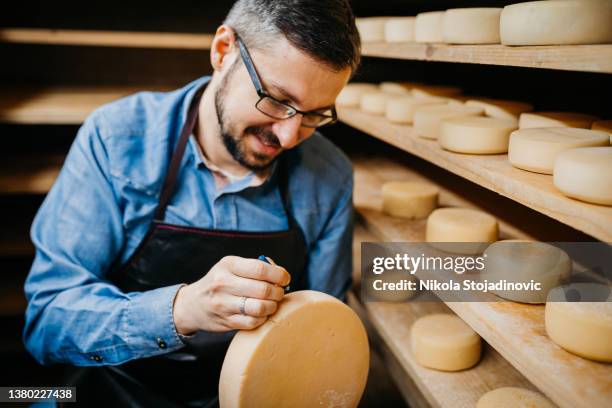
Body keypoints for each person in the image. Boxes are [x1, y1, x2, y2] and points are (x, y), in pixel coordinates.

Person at [23, 0, 361, 406]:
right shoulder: (117, 139)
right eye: (275, 100)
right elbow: (47, 324)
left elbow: (323, 334)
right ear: (223, 50)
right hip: (110, 387)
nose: (289, 137)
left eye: (313, 115)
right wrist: (183, 309)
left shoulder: (330, 176)